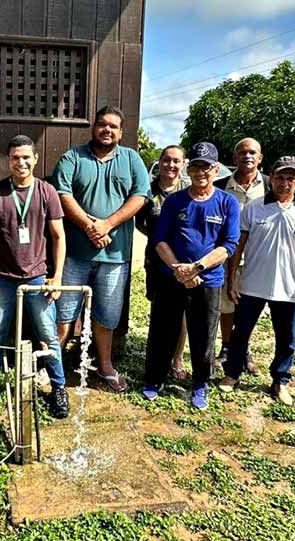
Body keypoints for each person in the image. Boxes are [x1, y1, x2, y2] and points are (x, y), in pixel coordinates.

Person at [0, 135, 70, 419]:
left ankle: (59, 387)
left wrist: (57, 276)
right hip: (2, 278)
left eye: (26, 157)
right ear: (8, 160)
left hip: (38, 278)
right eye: (15, 157)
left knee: (47, 333)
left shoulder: (47, 191)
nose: (21, 162)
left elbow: (59, 236)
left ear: (35, 159)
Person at [52, 105, 151, 393]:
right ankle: (54, 366)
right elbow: (62, 194)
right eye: (102, 124)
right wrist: (89, 227)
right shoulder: (73, 157)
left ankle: (105, 366)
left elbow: (140, 196)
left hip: (115, 256)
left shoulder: (132, 159)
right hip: (75, 254)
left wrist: (106, 224)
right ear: (93, 127)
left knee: (107, 316)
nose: (107, 130)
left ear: (120, 133)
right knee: (63, 313)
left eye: (113, 126)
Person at [145, 142, 240, 410]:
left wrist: (196, 268)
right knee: (164, 330)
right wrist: (178, 269)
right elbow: (160, 240)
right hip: (171, 277)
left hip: (208, 281)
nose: (201, 172)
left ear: (216, 169)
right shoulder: (175, 201)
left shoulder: (227, 203)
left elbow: (228, 245)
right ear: (190, 169)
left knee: (203, 334)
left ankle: (200, 383)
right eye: (196, 166)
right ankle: (155, 379)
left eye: (206, 167)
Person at [220, 156, 295, 406]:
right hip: (252, 284)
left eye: (290, 178)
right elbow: (239, 247)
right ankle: (232, 374)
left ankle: (280, 380)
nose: (284, 183)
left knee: (286, 338)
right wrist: (232, 279)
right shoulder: (254, 208)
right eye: (279, 177)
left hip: (287, 290)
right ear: (271, 177)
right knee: (240, 333)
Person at [135, 145, 190, 382]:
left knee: (183, 313)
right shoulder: (147, 190)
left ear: (184, 164)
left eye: (176, 161)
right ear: (159, 161)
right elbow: (139, 222)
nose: (171, 165)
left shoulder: (189, 190)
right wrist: (158, 241)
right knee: (159, 310)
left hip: (184, 261)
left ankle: (177, 358)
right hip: (156, 260)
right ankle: (156, 358)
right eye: (166, 160)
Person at [213, 137, 268, 374]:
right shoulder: (220, 185)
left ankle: (244, 349)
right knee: (227, 304)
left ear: (260, 158)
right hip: (227, 257)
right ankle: (226, 347)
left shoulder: (270, 186)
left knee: (249, 307)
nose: (247, 156)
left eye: (252, 152)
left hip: (258, 259)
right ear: (234, 158)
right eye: (242, 152)